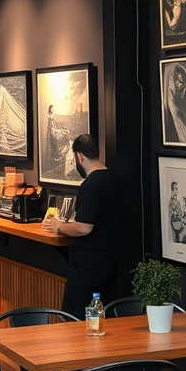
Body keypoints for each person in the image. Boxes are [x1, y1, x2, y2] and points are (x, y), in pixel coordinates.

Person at [41, 134, 123, 319]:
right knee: (101, 319)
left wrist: (59, 226)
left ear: (79, 156)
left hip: (88, 264)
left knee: (73, 317)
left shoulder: (91, 185)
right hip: (111, 260)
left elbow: (84, 227)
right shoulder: (115, 180)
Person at [164, 63, 186, 144]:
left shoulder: (185, 96)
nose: (180, 82)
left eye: (182, 79)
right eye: (177, 79)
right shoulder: (170, 97)